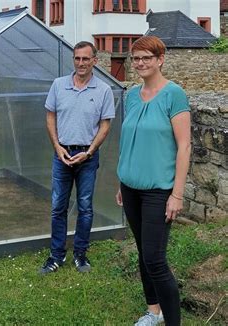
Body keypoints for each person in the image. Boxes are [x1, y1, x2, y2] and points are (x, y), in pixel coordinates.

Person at [116, 36, 191, 326]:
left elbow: (184, 145)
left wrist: (178, 194)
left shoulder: (174, 94)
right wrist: (121, 180)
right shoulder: (132, 94)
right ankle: (153, 313)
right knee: (144, 253)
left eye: (147, 57)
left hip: (159, 190)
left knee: (155, 259)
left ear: (160, 59)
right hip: (130, 187)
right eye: (135, 58)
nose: (140, 63)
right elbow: (129, 140)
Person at [40, 41, 115, 274]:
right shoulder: (58, 85)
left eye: (85, 59)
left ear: (94, 60)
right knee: (57, 206)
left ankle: (80, 255)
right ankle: (56, 255)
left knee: (85, 207)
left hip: (88, 156)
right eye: (77, 58)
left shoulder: (103, 90)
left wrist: (89, 152)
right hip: (61, 154)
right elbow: (50, 116)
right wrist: (57, 146)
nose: (81, 63)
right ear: (73, 60)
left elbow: (105, 125)